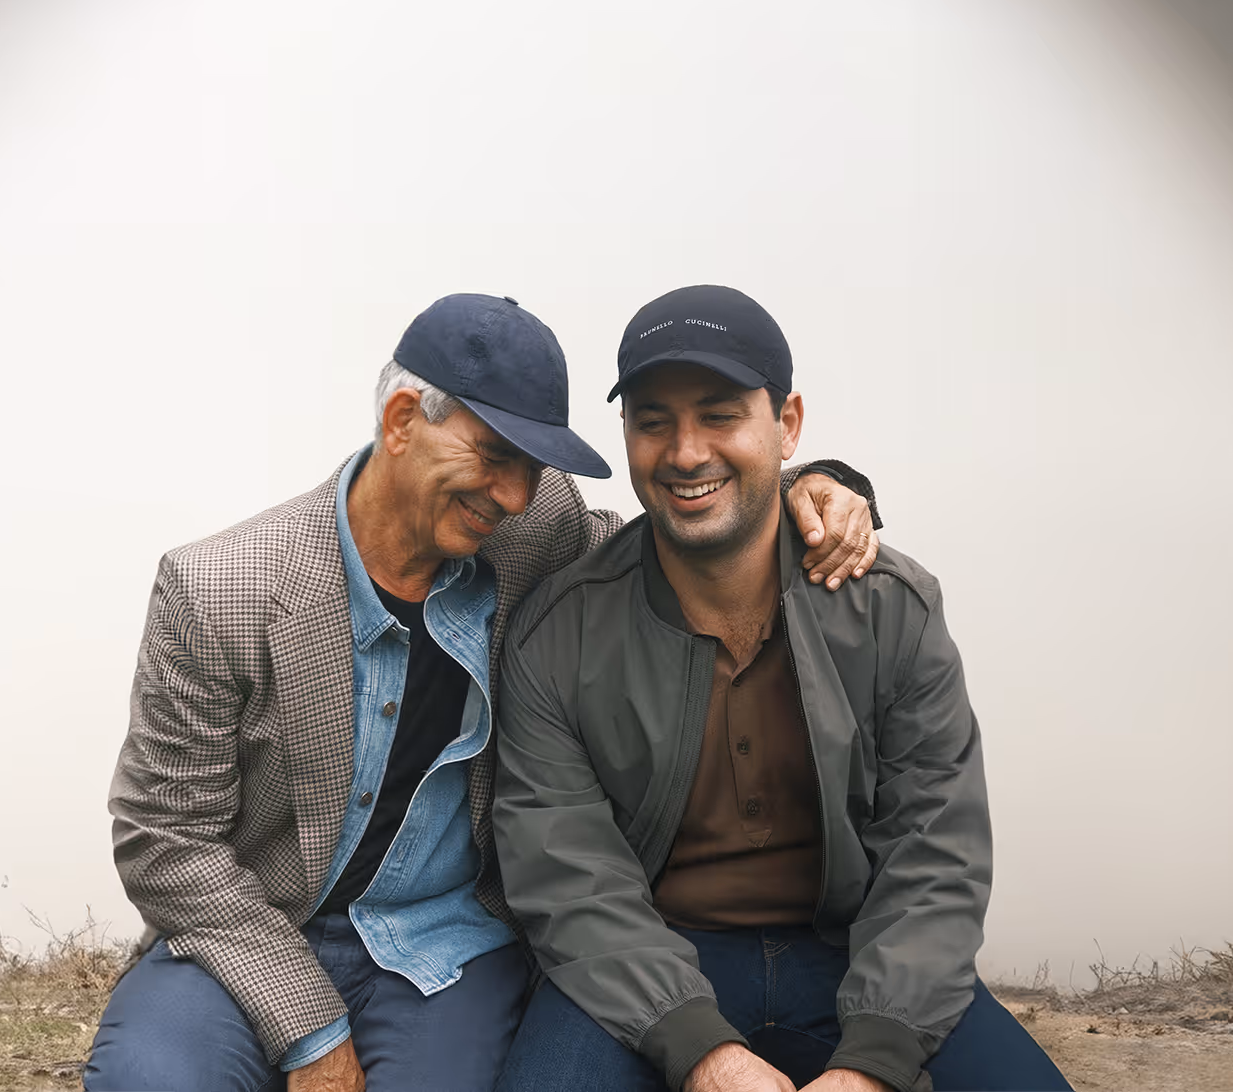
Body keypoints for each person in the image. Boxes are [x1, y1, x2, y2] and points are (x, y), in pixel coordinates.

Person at [82, 293, 884, 1092]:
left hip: (448, 945)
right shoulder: (218, 589)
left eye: (532, 466)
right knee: (149, 1080)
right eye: (494, 455)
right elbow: (166, 836)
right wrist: (312, 1032)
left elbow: (679, 541)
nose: (512, 495)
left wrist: (809, 487)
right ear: (402, 420)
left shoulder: (537, 530)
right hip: (252, 932)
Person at [491, 285, 1071, 1092]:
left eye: (720, 415)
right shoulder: (559, 632)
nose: (685, 451)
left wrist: (874, 1061)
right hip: (649, 963)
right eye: (653, 420)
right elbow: (567, 872)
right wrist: (702, 1052)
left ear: (787, 423)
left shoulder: (891, 608)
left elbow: (934, 850)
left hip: (855, 953)